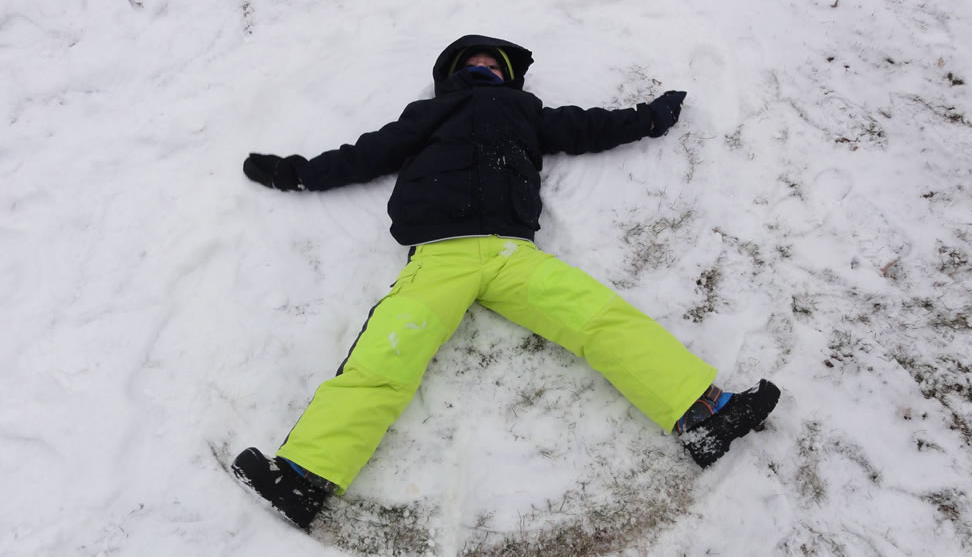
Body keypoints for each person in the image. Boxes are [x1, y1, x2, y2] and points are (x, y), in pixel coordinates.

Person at [232, 34, 780, 531]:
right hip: (441, 256)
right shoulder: (429, 113)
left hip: (511, 253)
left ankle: (703, 414)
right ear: (452, 75)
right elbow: (366, 154)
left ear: (509, 76)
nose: (483, 67)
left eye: (492, 64)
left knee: (599, 318)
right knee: (386, 357)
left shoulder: (525, 110)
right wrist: (294, 172)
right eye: (472, 62)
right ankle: (303, 477)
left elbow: (588, 127)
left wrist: (649, 118)